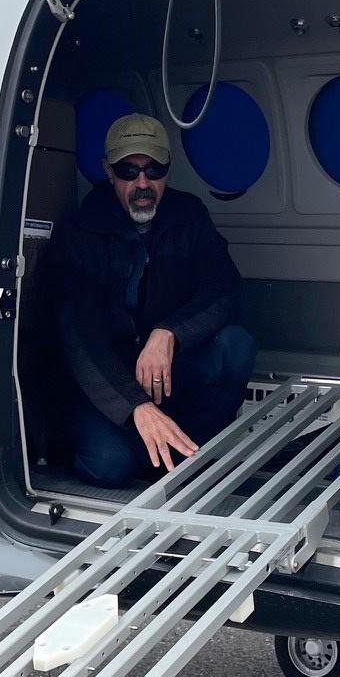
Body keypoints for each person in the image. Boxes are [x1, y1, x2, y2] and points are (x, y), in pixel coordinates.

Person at [55, 113, 257, 486]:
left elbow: (223, 289)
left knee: (235, 345)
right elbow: (80, 339)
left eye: (154, 170)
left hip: (164, 371)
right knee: (111, 465)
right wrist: (135, 405)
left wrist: (169, 333)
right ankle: (134, 440)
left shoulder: (188, 215)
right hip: (106, 382)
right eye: (128, 171)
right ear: (108, 171)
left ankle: (188, 451)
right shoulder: (81, 230)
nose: (143, 183)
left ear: (168, 168)